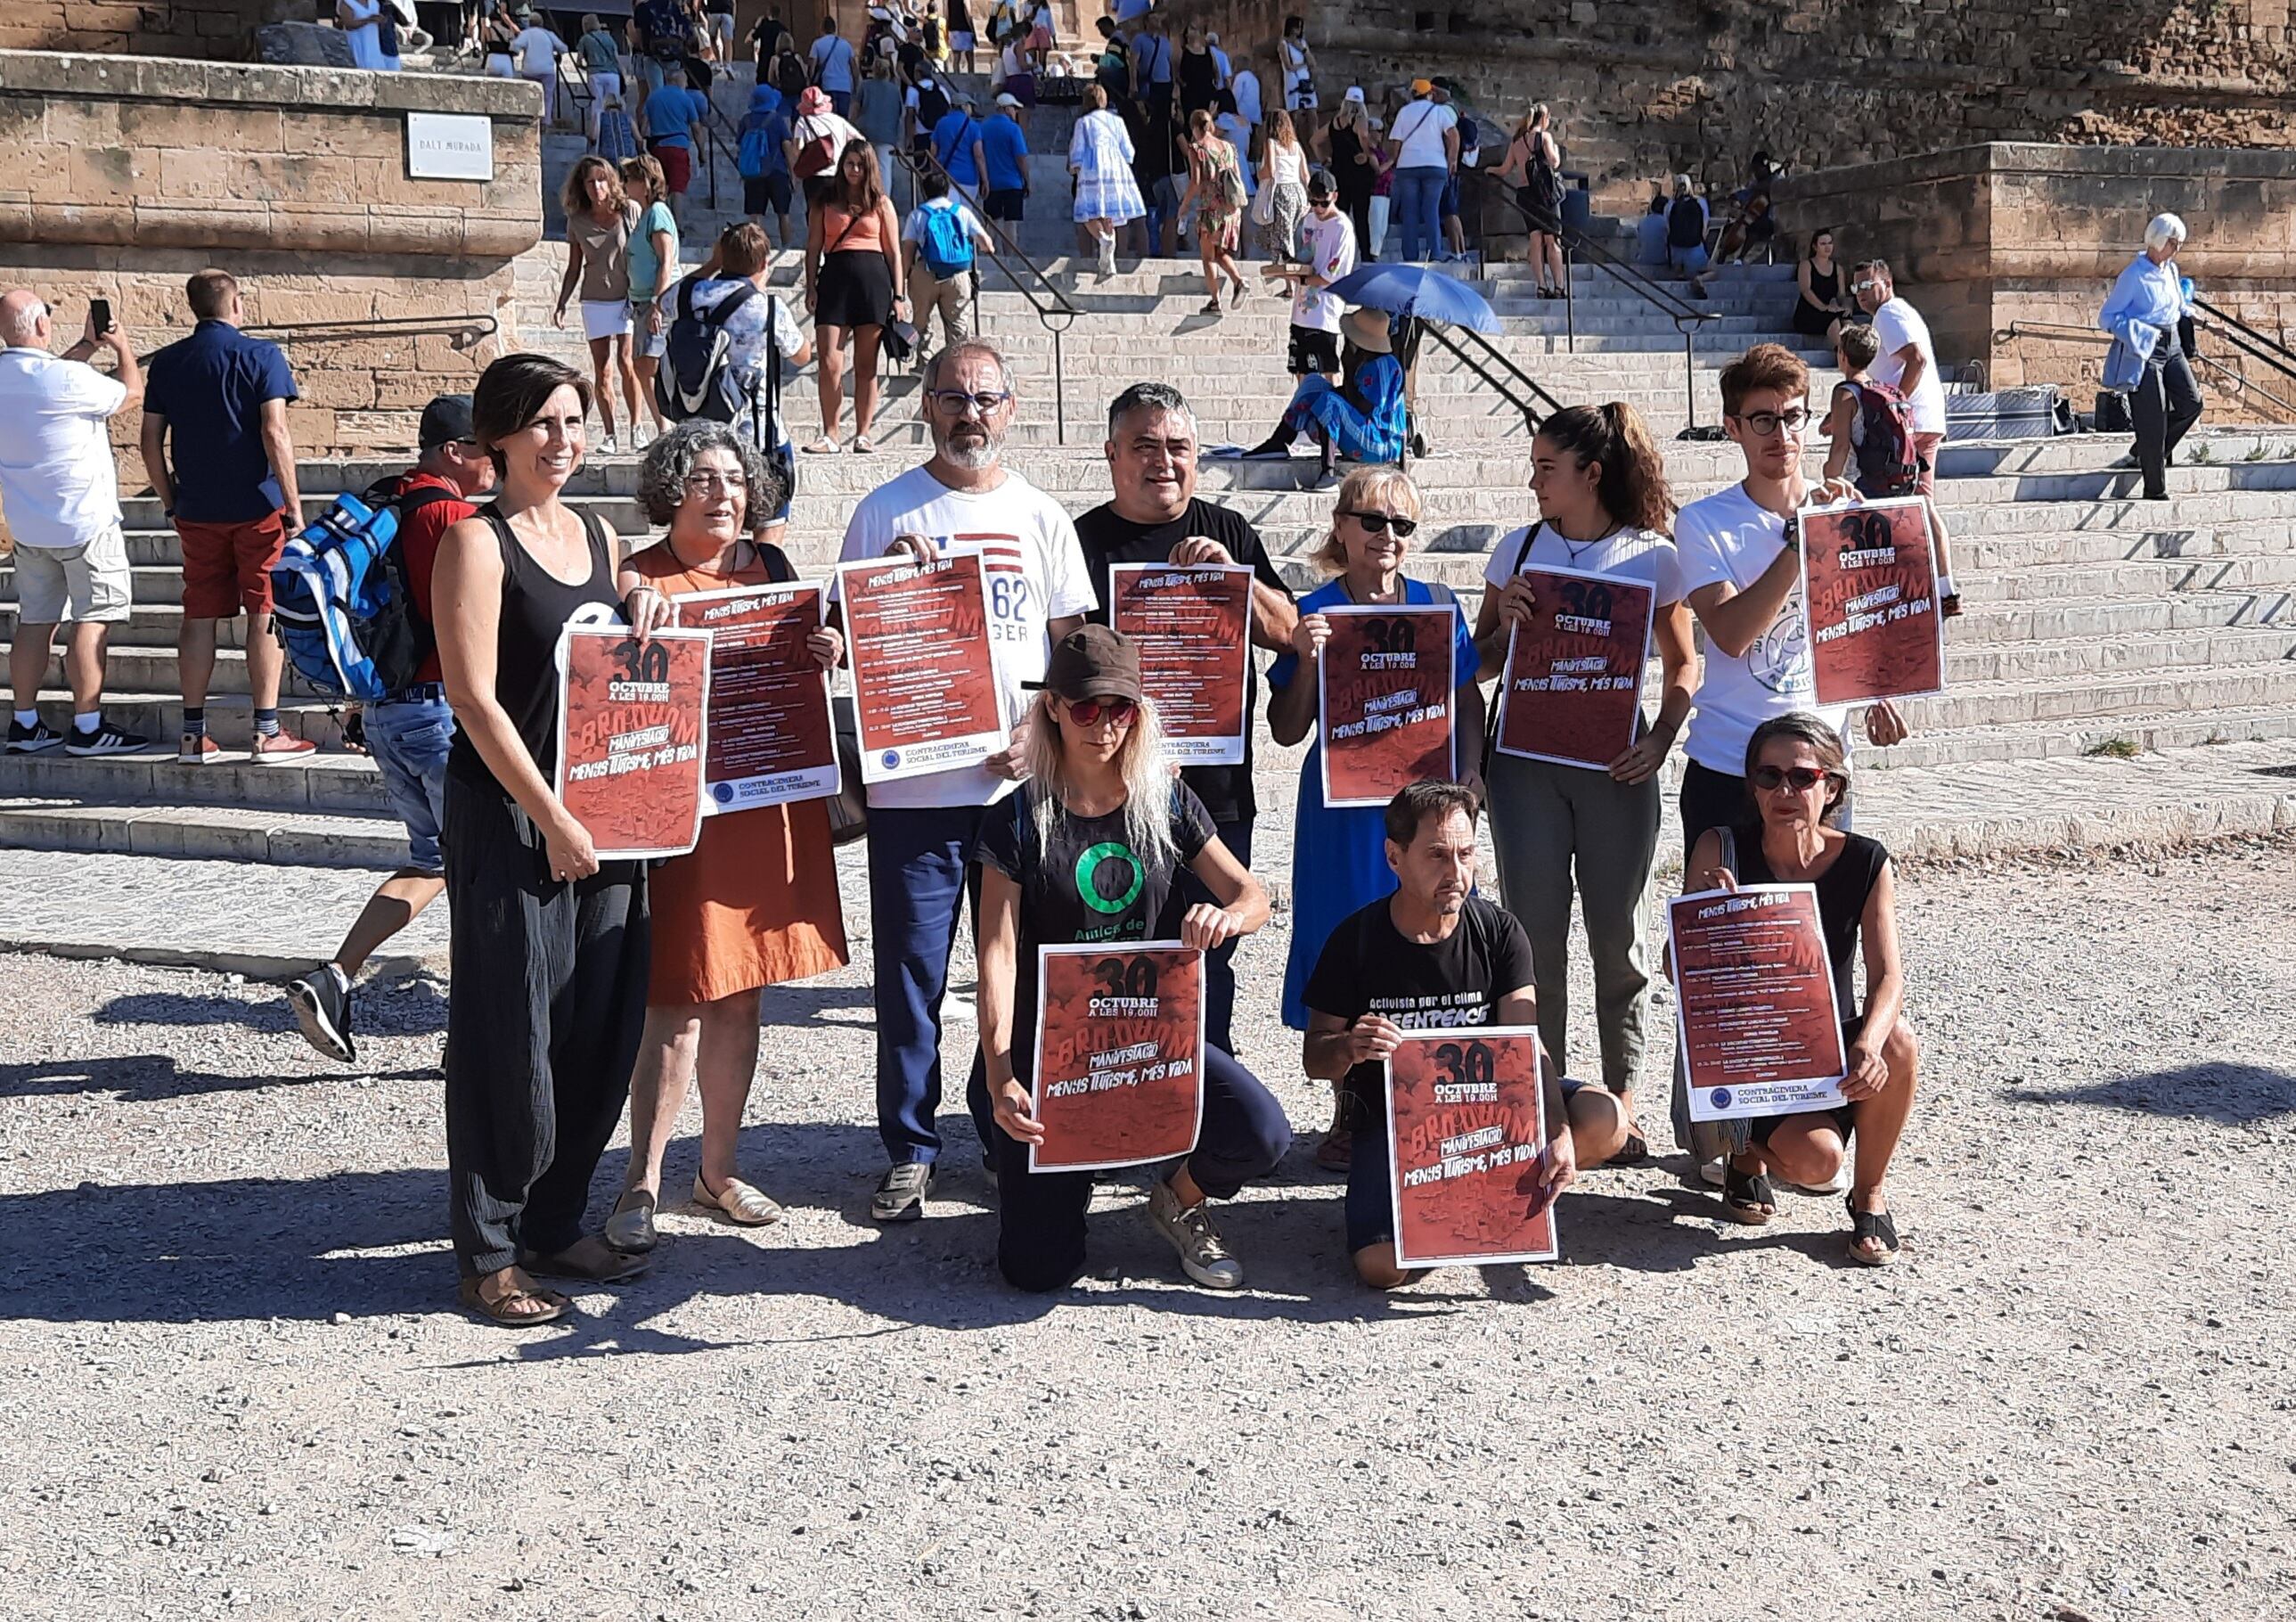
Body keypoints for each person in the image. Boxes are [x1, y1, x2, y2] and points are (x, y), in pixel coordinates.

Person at [836, 339, 1096, 1221]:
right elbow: (844, 633)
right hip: (915, 790)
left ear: (1011, 408)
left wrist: (1041, 725)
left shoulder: (1042, 515)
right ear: (928, 404)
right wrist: (879, 592)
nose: (970, 413)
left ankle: (1003, 1131)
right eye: (954, 396)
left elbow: (1077, 648)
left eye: (986, 397)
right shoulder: (883, 510)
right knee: (910, 973)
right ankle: (910, 1145)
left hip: (1020, 793)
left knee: (1018, 971)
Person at [430, 352, 650, 1328]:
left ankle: (558, 1219)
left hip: (608, 808)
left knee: (599, 1022)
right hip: (515, 812)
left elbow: (611, 642)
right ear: (500, 437)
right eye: (544, 425)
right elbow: (474, 698)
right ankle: (488, 1252)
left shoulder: (598, 533)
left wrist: (647, 603)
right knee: (507, 1029)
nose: (563, 442)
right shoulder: (475, 544)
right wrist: (551, 817)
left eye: (575, 421)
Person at [978, 627, 1288, 1291]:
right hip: (1052, 1048)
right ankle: (1052, 1178)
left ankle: (1176, 1199)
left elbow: (1253, 894)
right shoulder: (1013, 820)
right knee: (1035, 1272)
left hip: (1149, 1035)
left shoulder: (1165, 798)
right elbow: (997, 954)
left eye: (1120, 708)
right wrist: (1001, 1071)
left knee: (1261, 1133)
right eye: (1087, 708)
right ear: (1054, 708)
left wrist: (1226, 916)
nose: (1104, 725)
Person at [601, 422, 849, 1249]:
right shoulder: (641, 573)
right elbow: (614, 680)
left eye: (735, 480)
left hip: (765, 801)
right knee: (675, 1000)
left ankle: (716, 1173)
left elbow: (806, 662)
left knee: (742, 993)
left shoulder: (772, 569)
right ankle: (640, 1182)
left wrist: (827, 649)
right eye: (704, 479)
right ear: (672, 489)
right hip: (685, 814)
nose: (723, 494)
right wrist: (635, 614)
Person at [1472, 402, 1696, 1159]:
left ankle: (1621, 1095)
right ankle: (1547, 1094)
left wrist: (1662, 740)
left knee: (1617, 935)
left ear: (1589, 474)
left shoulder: (1652, 556)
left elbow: (1684, 664)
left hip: (1614, 764)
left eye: (1545, 467)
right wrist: (1504, 620)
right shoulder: (1516, 549)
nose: (1533, 480)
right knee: (1534, 935)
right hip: (1525, 765)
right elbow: (1476, 663)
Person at [1304, 781, 1620, 1286]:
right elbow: (1315, 1060)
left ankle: (1483, 1192)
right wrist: (1349, 1046)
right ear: (1394, 856)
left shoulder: (1499, 932)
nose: (1456, 873)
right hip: (1400, 1128)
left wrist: (1557, 1131)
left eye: (1467, 853)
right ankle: (1466, 1214)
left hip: (1491, 1116)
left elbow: (1525, 1045)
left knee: (1606, 1119)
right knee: (1381, 1269)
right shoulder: (1355, 941)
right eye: (1436, 855)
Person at [1265, 467, 1486, 1163]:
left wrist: (1473, 771)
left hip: (1422, 807)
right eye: (1371, 520)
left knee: (1434, 936)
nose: (1386, 536)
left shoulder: (1437, 606)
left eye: (1401, 525)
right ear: (1340, 525)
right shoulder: (1316, 610)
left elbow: (1466, 700)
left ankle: (1433, 1097)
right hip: (1341, 807)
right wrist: (1304, 660)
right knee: (1345, 940)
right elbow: (1282, 727)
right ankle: (1351, 1107)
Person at [1072, 381, 1300, 1054]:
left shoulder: (1226, 530)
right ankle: (1115, 1100)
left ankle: (1206, 1105)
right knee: (1113, 956)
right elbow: (1061, 665)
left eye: (1178, 447)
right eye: (1144, 446)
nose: (1162, 461)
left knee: (1211, 948)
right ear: (1112, 453)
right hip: (1110, 793)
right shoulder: (1081, 540)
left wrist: (1238, 577)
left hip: (1216, 787)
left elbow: (1287, 632)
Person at [286, 397, 494, 1061]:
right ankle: (471, 1037)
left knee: (433, 861)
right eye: (489, 447)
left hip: (387, 711)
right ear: (456, 451)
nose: (497, 461)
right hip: (443, 713)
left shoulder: (388, 502)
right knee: (479, 874)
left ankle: (336, 976)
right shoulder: (452, 518)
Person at [1682, 714, 1916, 1265]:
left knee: (1899, 1042)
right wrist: (1712, 919)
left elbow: (1887, 975)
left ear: (1831, 786)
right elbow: (1678, 972)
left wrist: (1868, 1040)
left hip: (1825, 1045)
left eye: (1801, 777)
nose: (1784, 790)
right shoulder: (1721, 849)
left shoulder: (1865, 859)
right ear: (1753, 788)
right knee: (1817, 1164)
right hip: (1752, 1055)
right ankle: (1742, 1151)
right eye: (1768, 777)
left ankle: (1871, 1196)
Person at [1675, 343, 1909, 864]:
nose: (1781, 436)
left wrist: (1879, 690)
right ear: (1733, 428)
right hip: (1729, 763)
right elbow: (1732, 636)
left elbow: (1864, 619)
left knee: (1823, 940)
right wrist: (1801, 543)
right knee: (1723, 938)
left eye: (1792, 417)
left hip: (1819, 767)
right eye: (1763, 421)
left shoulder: (1850, 509)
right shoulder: (1702, 522)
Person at [141, 269, 315, 766]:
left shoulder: (169, 362)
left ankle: (193, 735)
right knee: (265, 608)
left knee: (198, 612)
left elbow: (149, 440)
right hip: (257, 506)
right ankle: (265, 731)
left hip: (196, 508)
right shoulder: (261, 355)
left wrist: (170, 500)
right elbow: (275, 432)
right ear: (235, 304)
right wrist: (294, 508)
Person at [0, 290, 148, 758]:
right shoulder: (66, 378)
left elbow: (43, 377)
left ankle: (25, 722)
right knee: (93, 618)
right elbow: (132, 395)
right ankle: (87, 725)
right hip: (84, 523)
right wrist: (121, 347)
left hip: (28, 525)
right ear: (42, 326)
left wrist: (86, 346)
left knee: (35, 622)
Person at [672, 225, 813, 539]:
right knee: (771, 524)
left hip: (701, 431)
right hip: (759, 432)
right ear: (764, 264)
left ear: (722, 256)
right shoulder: (767, 307)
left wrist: (711, 265)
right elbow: (801, 355)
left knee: (715, 526)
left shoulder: (690, 294)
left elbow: (664, 300)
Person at [1821, 324, 1963, 619]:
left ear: (1842, 356)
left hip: (1858, 483)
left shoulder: (1845, 393)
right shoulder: (1885, 391)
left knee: (1855, 555)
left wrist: (1828, 478)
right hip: (1893, 482)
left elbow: (1840, 447)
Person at [802, 140, 907, 456]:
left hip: (872, 283)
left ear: (870, 167)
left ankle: (863, 433)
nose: (854, 170)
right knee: (829, 362)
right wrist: (810, 285)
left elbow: (894, 252)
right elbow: (813, 246)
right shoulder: (825, 200)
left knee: (866, 365)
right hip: (834, 279)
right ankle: (831, 433)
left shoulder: (881, 203)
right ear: (841, 165)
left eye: (860, 165)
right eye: (849, 164)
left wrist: (899, 295)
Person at [2101, 212, 2202, 506]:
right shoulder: (2133, 276)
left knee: (2191, 403)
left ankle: (2143, 453)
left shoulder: (2171, 271)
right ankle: (2154, 486)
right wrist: (2138, 332)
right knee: (2152, 419)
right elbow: (2107, 318)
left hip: (2172, 346)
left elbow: (2180, 306)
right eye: (2173, 242)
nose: (2176, 249)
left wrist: (2205, 323)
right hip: (2145, 350)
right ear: (2158, 240)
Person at [1240, 305, 1407, 477]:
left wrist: (1348, 369)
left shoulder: (1385, 366)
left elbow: (1365, 408)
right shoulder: (1364, 360)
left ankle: (1328, 472)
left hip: (1380, 443)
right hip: (1362, 430)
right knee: (1312, 383)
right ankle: (1280, 441)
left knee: (1330, 401)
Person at [552, 156, 642, 456]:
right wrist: (562, 302)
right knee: (602, 370)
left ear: (611, 181)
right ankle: (610, 433)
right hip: (594, 298)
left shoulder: (629, 211)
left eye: (602, 180)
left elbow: (642, 254)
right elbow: (573, 266)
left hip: (626, 296)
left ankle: (636, 427)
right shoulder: (577, 220)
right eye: (590, 181)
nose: (597, 187)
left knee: (626, 362)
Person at [1850, 260, 1949, 514]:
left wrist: (1896, 406)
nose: (1860, 292)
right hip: (1922, 418)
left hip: (1906, 423)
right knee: (1921, 502)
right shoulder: (1900, 311)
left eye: (1866, 285)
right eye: (1855, 287)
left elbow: (1917, 360)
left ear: (1887, 283)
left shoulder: (1888, 313)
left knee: (1895, 499)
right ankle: (1932, 553)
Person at [1264, 170, 1355, 385]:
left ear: (1334, 196)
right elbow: (1308, 255)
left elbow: (1334, 274)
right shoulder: (1309, 221)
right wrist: (1289, 264)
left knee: (1328, 369)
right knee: (1301, 369)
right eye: (1313, 202)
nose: (1317, 209)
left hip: (1326, 312)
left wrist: (1304, 280)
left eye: (1322, 203)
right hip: (1302, 308)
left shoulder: (1342, 228)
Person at [619, 156, 680, 441]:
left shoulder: (657, 213)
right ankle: (663, 425)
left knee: (650, 365)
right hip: (641, 302)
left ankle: (667, 424)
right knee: (643, 365)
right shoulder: (644, 214)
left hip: (658, 303)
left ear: (644, 183)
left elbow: (665, 261)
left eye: (630, 179)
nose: (624, 185)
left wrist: (658, 302)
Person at [903, 169, 991, 360]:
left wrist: (902, 281)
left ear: (924, 191)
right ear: (947, 190)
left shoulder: (917, 215)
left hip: (925, 272)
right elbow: (987, 244)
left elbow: (908, 250)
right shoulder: (962, 212)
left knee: (921, 321)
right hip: (958, 274)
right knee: (958, 325)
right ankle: (956, 366)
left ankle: (923, 362)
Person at [1178, 109, 1249, 315]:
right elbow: (1236, 175)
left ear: (1194, 128)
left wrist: (1185, 205)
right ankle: (1238, 281)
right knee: (1220, 253)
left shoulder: (1197, 149)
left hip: (1210, 209)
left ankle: (1216, 302)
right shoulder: (1228, 147)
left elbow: (1196, 181)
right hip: (1231, 208)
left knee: (1208, 256)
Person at [1070, 84, 1144, 279]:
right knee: (1111, 214)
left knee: (1087, 213)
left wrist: (1075, 167)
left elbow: (1078, 151)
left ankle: (1103, 239)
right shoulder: (1117, 121)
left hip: (1092, 168)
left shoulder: (1083, 122)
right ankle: (1108, 260)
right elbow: (1129, 152)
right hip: (1116, 170)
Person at [1495, 104, 1565, 298]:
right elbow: (1554, 162)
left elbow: (1504, 169)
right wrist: (1556, 151)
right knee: (1552, 240)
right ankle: (1559, 286)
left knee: (1535, 239)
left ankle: (1541, 286)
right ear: (1544, 119)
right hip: (1545, 193)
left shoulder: (1517, 142)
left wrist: (1488, 171)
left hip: (1525, 194)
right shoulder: (1545, 138)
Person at [1386, 79, 1457, 265]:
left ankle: (1410, 256)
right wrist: (1452, 159)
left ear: (1412, 94)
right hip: (1435, 165)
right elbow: (1453, 134)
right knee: (1431, 209)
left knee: (1410, 210)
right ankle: (1434, 254)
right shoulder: (1438, 111)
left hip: (1408, 165)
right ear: (1430, 93)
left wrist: (1395, 160)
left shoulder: (1404, 112)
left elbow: (1396, 141)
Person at [641, 61, 707, 221]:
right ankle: (678, 226)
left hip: (657, 147)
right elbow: (696, 129)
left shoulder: (653, 97)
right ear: (679, 82)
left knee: (660, 187)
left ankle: (658, 222)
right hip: (678, 147)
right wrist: (701, 153)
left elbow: (643, 126)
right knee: (677, 188)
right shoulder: (685, 99)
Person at [1322, 87, 1378, 265]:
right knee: (1361, 217)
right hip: (1358, 174)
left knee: (1341, 216)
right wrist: (1368, 151)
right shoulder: (1359, 119)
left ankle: (1338, 254)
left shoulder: (1334, 123)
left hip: (1339, 172)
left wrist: (1324, 159)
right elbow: (1363, 136)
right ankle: (1366, 256)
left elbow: (1314, 140)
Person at [789, 85, 866, 211]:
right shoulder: (837, 120)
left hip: (814, 176)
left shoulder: (802, 122)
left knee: (815, 215)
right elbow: (860, 139)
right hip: (837, 174)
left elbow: (798, 148)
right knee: (837, 213)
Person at [853, 53, 906, 205]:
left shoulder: (865, 86)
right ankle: (883, 202)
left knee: (863, 167)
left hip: (865, 132)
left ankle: (863, 198)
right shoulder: (895, 90)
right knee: (884, 170)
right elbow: (899, 114)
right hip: (887, 135)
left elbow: (856, 108)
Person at [1259, 108, 1311, 262]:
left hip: (1281, 192)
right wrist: (1309, 198)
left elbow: (1271, 171)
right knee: (1287, 235)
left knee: (1281, 239)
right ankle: (1288, 279)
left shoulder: (1271, 143)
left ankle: (1288, 279)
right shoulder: (1296, 146)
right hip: (1298, 192)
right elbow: (1305, 175)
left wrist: (1258, 175)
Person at [979, 91, 1031, 223]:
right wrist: (1027, 180)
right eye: (1015, 109)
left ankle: (989, 244)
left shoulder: (983, 126)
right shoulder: (1013, 129)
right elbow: (1021, 158)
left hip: (991, 183)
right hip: (1012, 183)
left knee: (991, 223)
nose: (1016, 112)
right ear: (1007, 109)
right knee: (1011, 225)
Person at [510, 7, 568, 124]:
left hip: (530, 70)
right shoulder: (548, 34)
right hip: (547, 70)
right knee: (548, 95)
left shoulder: (526, 34)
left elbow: (514, 46)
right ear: (542, 23)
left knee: (528, 94)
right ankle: (546, 121)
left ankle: (530, 118)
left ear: (529, 22)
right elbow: (563, 48)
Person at [1792, 225, 1850, 342]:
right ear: (1815, 247)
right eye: (1823, 244)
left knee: (1848, 321)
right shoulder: (1806, 265)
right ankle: (1840, 354)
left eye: (1830, 243)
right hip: (1809, 313)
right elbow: (1806, 290)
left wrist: (1845, 306)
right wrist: (1823, 307)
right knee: (1834, 321)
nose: (1827, 247)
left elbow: (1841, 294)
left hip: (1830, 310)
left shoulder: (1838, 269)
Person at [929, 91, 990, 201]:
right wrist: (985, 179)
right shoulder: (973, 126)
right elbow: (979, 155)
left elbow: (933, 152)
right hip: (968, 178)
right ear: (964, 106)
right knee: (964, 215)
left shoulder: (941, 123)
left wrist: (935, 173)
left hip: (946, 177)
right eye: (970, 106)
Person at [575, 15, 624, 147]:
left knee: (597, 106)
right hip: (613, 74)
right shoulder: (609, 38)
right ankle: (615, 131)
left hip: (595, 74)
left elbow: (579, 60)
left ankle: (595, 135)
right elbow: (616, 58)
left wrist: (584, 66)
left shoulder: (585, 39)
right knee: (614, 105)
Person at [1665, 173, 1711, 299]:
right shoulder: (1700, 203)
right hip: (1694, 249)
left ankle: (1678, 271)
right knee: (1714, 271)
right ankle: (1699, 278)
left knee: (1677, 261)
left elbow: (1668, 230)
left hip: (1676, 251)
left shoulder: (1670, 205)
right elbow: (1704, 231)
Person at [809, 12, 859, 117]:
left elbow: (812, 68)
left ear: (822, 28)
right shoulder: (846, 44)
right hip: (844, 87)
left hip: (826, 86)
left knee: (829, 117)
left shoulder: (817, 44)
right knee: (843, 119)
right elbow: (854, 68)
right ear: (835, 28)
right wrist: (856, 85)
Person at [339, 0, 404, 71]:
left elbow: (378, 26)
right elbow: (349, 25)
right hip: (358, 43)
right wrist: (368, 20)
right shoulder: (347, 3)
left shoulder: (374, 3)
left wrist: (381, 21)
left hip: (374, 45)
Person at [1279, 14, 1316, 124]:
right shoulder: (1283, 44)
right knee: (1297, 116)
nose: (1298, 30)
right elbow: (1288, 66)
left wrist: (1303, 49)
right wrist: (1303, 65)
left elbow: (1313, 63)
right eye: (1297, 27)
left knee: (1312, 114)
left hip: (1305, 81)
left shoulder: (1302, 43)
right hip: (1293, 82)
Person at [1178, 21, 1220, 118]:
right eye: (1191, 29)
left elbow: (1215, 69)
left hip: (1207, 91)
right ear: (1187, 35)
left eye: (1196, 29)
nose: (1195, 32)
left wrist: (1214, 84)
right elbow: (1177, 72)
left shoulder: (1208, 51)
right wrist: (1184, 85)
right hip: (1191, 94)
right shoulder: (1183, 52)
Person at [948, 0, 976, 71]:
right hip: (965, 29)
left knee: (956, 57)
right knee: (970, 57)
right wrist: (973, 30)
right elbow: (968, 14)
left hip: (953, 28)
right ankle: (971, 77)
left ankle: (956, 78)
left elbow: (947, 13)